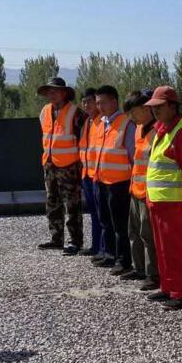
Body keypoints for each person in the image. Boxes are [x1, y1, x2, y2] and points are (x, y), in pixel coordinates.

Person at [144, 86, 182, 310]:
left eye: (160, 106)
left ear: (173, 106)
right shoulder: (162, 130)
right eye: (153, 107)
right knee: (163, 248)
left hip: (174, 204)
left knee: (177, 249)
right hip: (159, 202)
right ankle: (168, 286)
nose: (155, 110)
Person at [89, 85, 135, 274]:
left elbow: (132, 155)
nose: (99, 107)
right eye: (98, 103)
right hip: (101, 181)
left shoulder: (126, 124)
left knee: (120, 226)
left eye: (103, 103)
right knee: (105, 221)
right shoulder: (102, 123)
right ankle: (109, 254)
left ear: (114, 102)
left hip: (119, 184)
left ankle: (123, 260)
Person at [37, 77, 84, 255]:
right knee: (52, 202)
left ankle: (74, 241)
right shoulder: (44, 111)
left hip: (69, 166)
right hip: (49, 165)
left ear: (64, 93)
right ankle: (56, 238)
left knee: (72, 205)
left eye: (55, 91)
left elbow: (83, 138)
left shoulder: (75, 112)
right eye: (49, 91)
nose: (52, 94)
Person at [122, 90, 160, 290]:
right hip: (135, 190)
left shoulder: (157, 131)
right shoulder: (138, 129)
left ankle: (152, 274)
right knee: (134, 232)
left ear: (146, 109)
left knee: (148, 235)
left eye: (133, 112)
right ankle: (139, 269)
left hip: (148, 191)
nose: (131, 117)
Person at [77, 88, 105, 259]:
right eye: (84, 102)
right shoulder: (87, 122)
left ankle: (103, 248)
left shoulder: (102, 122)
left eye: (90, 101)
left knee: (102, 214)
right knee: (94, 213)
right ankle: (96, 246)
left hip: (98, 175)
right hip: (87, 174)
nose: (86, 105)